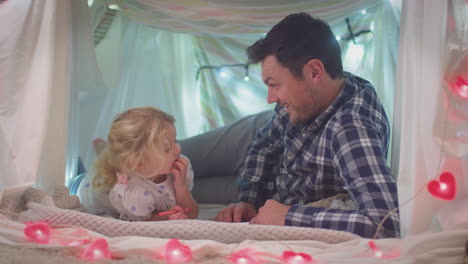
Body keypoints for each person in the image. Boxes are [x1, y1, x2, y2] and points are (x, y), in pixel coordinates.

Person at [215, 12, 399, 238]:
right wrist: (248, 200)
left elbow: (386, 222)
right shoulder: (311, 95)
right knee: (174, 154)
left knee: (181, 181)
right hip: (256, 138)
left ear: (314, 72)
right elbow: (263, 147)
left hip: (277, 192)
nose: (270, 98)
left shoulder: (351, 128)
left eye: (274, 85)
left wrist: (288, 216)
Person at [78, 107, 199, 221]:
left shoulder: (177, 170)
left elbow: (192, 213)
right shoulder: (135, 192)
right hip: (95, 187)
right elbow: (141, 221)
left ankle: (104, 148)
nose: (178, 149)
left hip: (128, 163)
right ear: (140, 163)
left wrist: (181, 187)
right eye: (167, 148)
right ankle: (101, 151)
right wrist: (166, 218)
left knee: (111, 155)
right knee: (98, 169)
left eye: (176, 140)